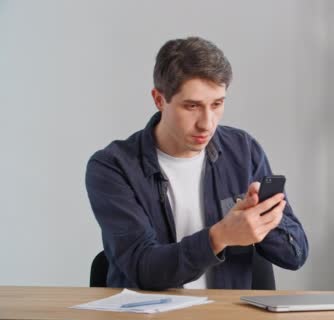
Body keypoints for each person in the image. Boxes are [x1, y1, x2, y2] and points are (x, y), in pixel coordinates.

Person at [85, 37, 309, 290]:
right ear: (159, 100)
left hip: (225, 313)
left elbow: (296, 255)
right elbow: (143, 269)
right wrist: (220, 236)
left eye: (217, 104)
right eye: (192, 106)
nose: (207, 123)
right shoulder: (113, 167)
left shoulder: (243, 151)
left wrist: (264, 222)